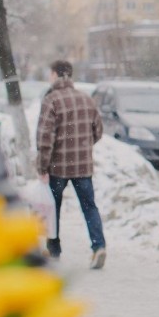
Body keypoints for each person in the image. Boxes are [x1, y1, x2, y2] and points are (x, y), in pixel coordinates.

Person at [36, 60, 106, 269]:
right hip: (83, 167)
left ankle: (53, 247)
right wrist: (82, 147)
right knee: (89, 207)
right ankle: (98, 246)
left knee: (53, 207)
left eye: (50, 73)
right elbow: (98, 131)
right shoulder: (86, 99)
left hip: (58, 167)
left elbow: (44, 138)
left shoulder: (51, 100)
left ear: (56, 74)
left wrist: (42, 167)